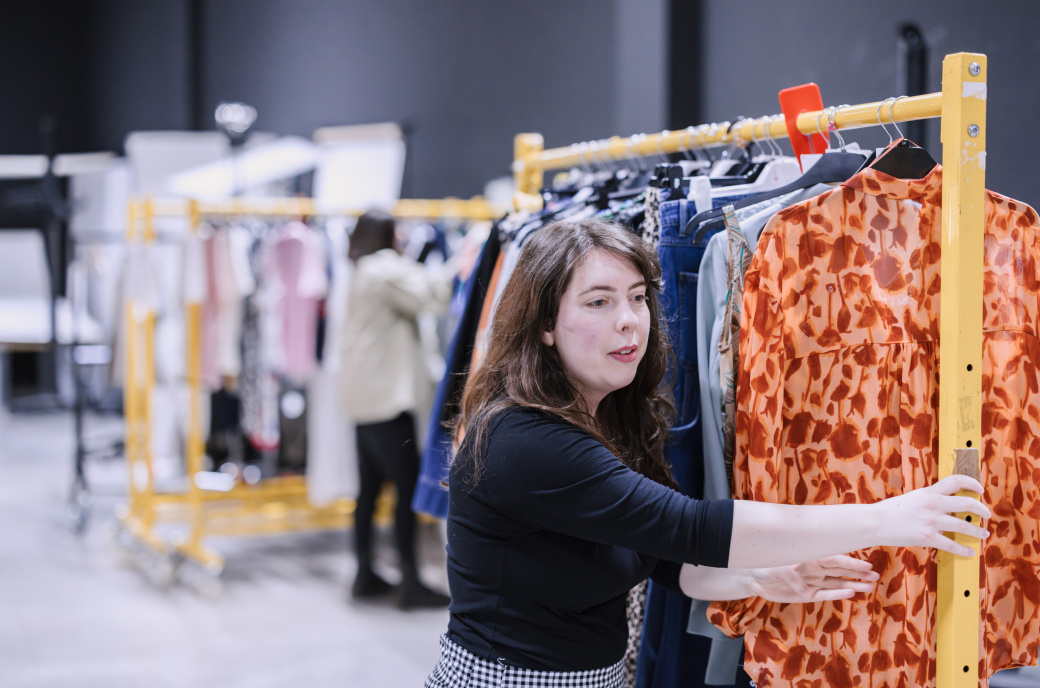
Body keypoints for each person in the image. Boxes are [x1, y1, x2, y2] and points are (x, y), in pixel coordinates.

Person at [425, 217, 990, 687]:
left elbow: (670, 560)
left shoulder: (611, 419)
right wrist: (890, 518)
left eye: (638, 298)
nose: (629, 319)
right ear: (544, 325)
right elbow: (693, 526)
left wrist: (761, 579)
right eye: (598, 302)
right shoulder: (524, 440)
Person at [339, 210, 453, 610]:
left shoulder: (361, 268)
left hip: (364, 398)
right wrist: (461, 259)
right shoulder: (384, 269)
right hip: (386, 400)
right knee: (407, 489)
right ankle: (410, 581)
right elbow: (431, 298)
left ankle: (365, 574)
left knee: (368, 491)